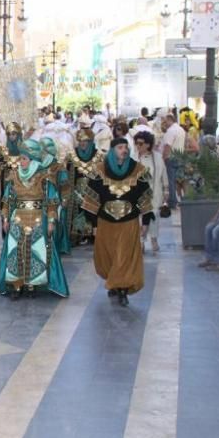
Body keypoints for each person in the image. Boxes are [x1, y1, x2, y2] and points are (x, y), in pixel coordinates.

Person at [81, 138, 154, 306]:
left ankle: (122, 290)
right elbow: (91, 199)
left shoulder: (139, 170)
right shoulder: (99, 171)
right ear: (113, 150)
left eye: (126, 147)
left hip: (129, 222)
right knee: (107, 258)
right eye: (120, 147)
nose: (124, 150)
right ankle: (114, 284)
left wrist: (146, 222)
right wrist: (93, 225)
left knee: (125, 257)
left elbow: (145, 199)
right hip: (105, 222)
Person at [0, 139, 69, 299]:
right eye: (20, 158)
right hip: (17, 220)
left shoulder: (45, 179)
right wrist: (5, 219)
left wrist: (51, 221)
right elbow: (7, 200)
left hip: (37, 220)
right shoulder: (13, 177)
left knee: (36, 251)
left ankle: (32, 285)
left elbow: (51, 203)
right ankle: (16, 285)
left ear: (33, 159)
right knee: (15, 252)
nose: (20, 161)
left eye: (24, 158)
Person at [132, 131, 170, 253]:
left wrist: (166, 190)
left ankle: (154, 239)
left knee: (154, 216)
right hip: (138, 194)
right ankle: (141, 241)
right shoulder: (133, 157)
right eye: (136, 143)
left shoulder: (157, 157)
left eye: (140, 143)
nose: (138, 146)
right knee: (139, 218)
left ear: (148, 144)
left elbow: (163, 174)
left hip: (155, 192)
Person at [67, 128, 102, 246]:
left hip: (94, 190)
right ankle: (79, 235)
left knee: (92, 211)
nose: (82, 143)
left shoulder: (98, 155)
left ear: (91, 141)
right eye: (80, 140)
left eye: (85, 140)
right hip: (77, 190)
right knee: (79, 212)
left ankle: (94, 235)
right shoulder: (72, 155)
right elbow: (68, 174)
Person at [39, 137, 71, 255]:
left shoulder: (58, 166)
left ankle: (54, 249)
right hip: (40, 200)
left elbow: (65, 185)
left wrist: (64, 200)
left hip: (55, 201)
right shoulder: (37, 165)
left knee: (55, 224)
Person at [161, 113, 186, 209]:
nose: (164, 123)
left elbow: (168, 146)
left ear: (169, 120)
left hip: (171, 158)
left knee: (171, 180)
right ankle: (183, 199)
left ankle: (172, 201)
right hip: (180, 156)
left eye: (165, 121)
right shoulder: (181, 130)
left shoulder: (170, 131)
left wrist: (164, 157)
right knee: (180, 180)